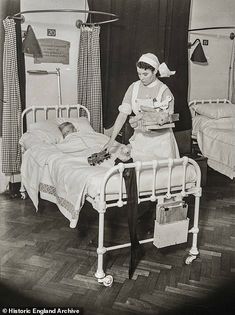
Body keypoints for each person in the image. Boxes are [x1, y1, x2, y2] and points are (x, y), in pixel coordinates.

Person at [104, 53, 179, 161]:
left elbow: (167, 119)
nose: (141, 77)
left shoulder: (164, 91)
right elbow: (122, 115)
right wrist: (111, 141)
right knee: (137, 173)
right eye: (139, 74)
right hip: (140, 140)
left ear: (155, 71)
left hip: (161, 144)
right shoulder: (133, 87)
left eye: (145, 74)